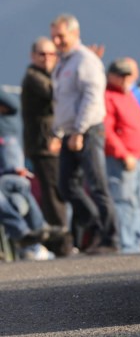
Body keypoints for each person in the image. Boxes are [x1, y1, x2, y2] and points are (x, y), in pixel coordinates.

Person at [50, 13, 119, 254]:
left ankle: (110, 239)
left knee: (98, 185)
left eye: (61, 36)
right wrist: (58, 133)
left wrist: (79, 131)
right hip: (70, 132)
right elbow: (62, 102)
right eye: (54, 37)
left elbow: (92, 98)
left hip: (88, 130)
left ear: (74, 34)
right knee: (66, 185)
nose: (57, 41)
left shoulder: (84, 60)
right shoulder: (63, 63)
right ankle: (97, 227)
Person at [20, 37, 73, 256]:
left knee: (61, 193)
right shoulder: (33, 77)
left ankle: (64, 243)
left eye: (52, 54)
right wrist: (72, 71)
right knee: (54, 196)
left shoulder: (47, 74)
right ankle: (63, 247)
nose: (48, 58)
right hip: (44, 146)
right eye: (43, 54)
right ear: (33, 56)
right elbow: (57, 92)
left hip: (54, 143)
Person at [104, 58, 140, 253]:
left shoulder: (128, 95)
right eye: (120, 75)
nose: (124, 79)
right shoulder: (108, 96)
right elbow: (107, 131)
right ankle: (127, 243)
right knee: (124, 200)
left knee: (138, 201)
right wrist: (123, 154)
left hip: (137, 157)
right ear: (111, 76)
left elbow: (139, 125)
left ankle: (137, 241)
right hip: (122, 159)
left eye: (126, 75)